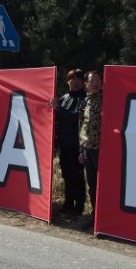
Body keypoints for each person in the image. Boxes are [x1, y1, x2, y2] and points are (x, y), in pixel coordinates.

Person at [50, 69, 87, 217]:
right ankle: (67, 205)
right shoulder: (64, 97)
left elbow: (77, 117)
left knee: (77, 178)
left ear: (83, 82)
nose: (76, 81)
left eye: (79, 79)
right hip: (64, 145)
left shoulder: (85, 98)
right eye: (73, 79)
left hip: (77, 145)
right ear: (68, 81)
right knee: (67, 176)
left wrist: (58, 108)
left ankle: (78, 209)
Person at [78, 70, 103, 229]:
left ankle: (103, 217)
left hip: (102, 150)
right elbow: (82, 126)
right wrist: (81, 150)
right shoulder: (85, 101)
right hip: (87, 149)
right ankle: (94, 215)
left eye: (97, 81)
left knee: (103, 185)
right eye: (91, 81)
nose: (94, 84)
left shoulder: (108, 98)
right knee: (92, 184)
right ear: (86, 84)